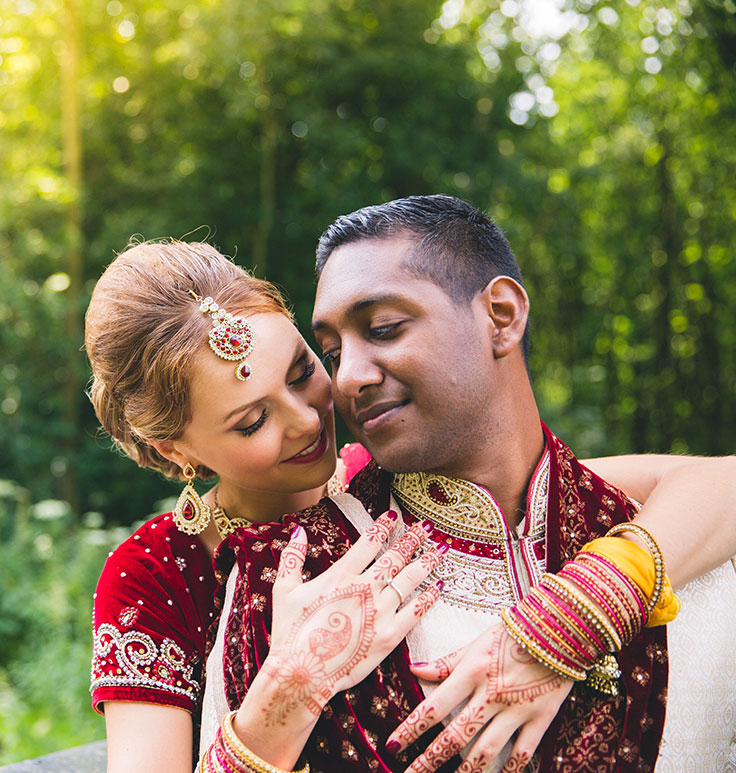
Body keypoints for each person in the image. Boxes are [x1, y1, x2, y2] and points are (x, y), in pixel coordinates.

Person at [85, 237, 736, 772]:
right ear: (177, 451)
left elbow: (713, 484)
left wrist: (571, 615)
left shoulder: (395, 472)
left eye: (302, 369)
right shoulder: (155, 575)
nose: (308, 418)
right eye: (253, 422)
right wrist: (286, 692)